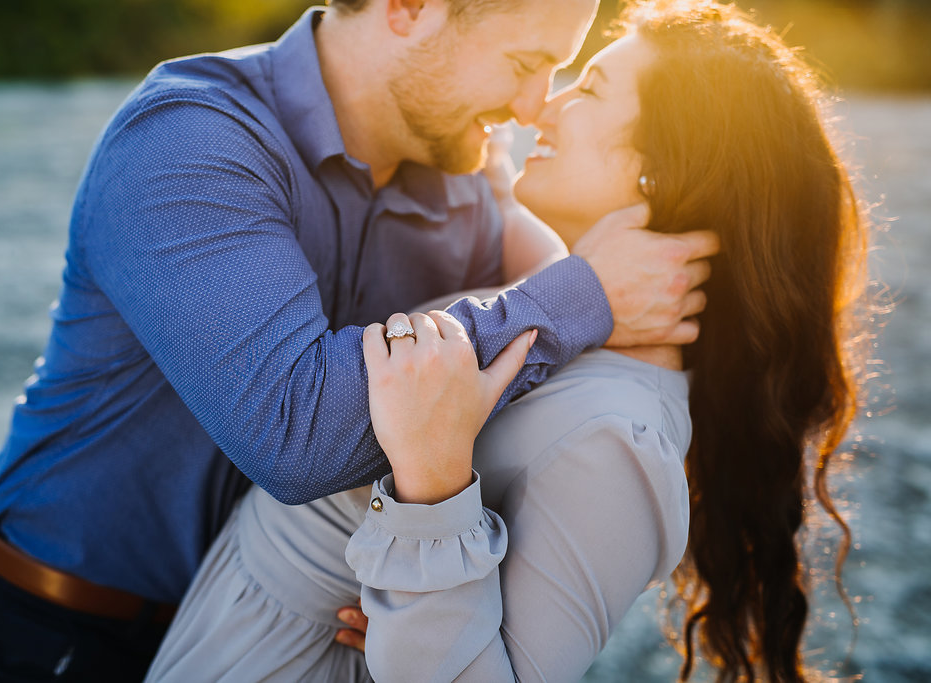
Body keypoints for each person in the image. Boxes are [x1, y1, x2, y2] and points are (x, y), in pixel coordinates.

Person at [0, 0, 720, 679]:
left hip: (265, 623)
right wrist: (587, 293)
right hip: (71, 625)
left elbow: (548, 321)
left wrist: (421, 597)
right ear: (408, 9)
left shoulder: (460, 173)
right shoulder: (189, 139)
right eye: (526, 65)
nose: (531, 108)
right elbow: (297, 435)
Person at [145, 0, 871, 681]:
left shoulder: (616, 440)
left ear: (657, 168)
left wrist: (430, 513)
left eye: (584, 90)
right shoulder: (565, 315)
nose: (540, 108)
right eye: (536, 70)